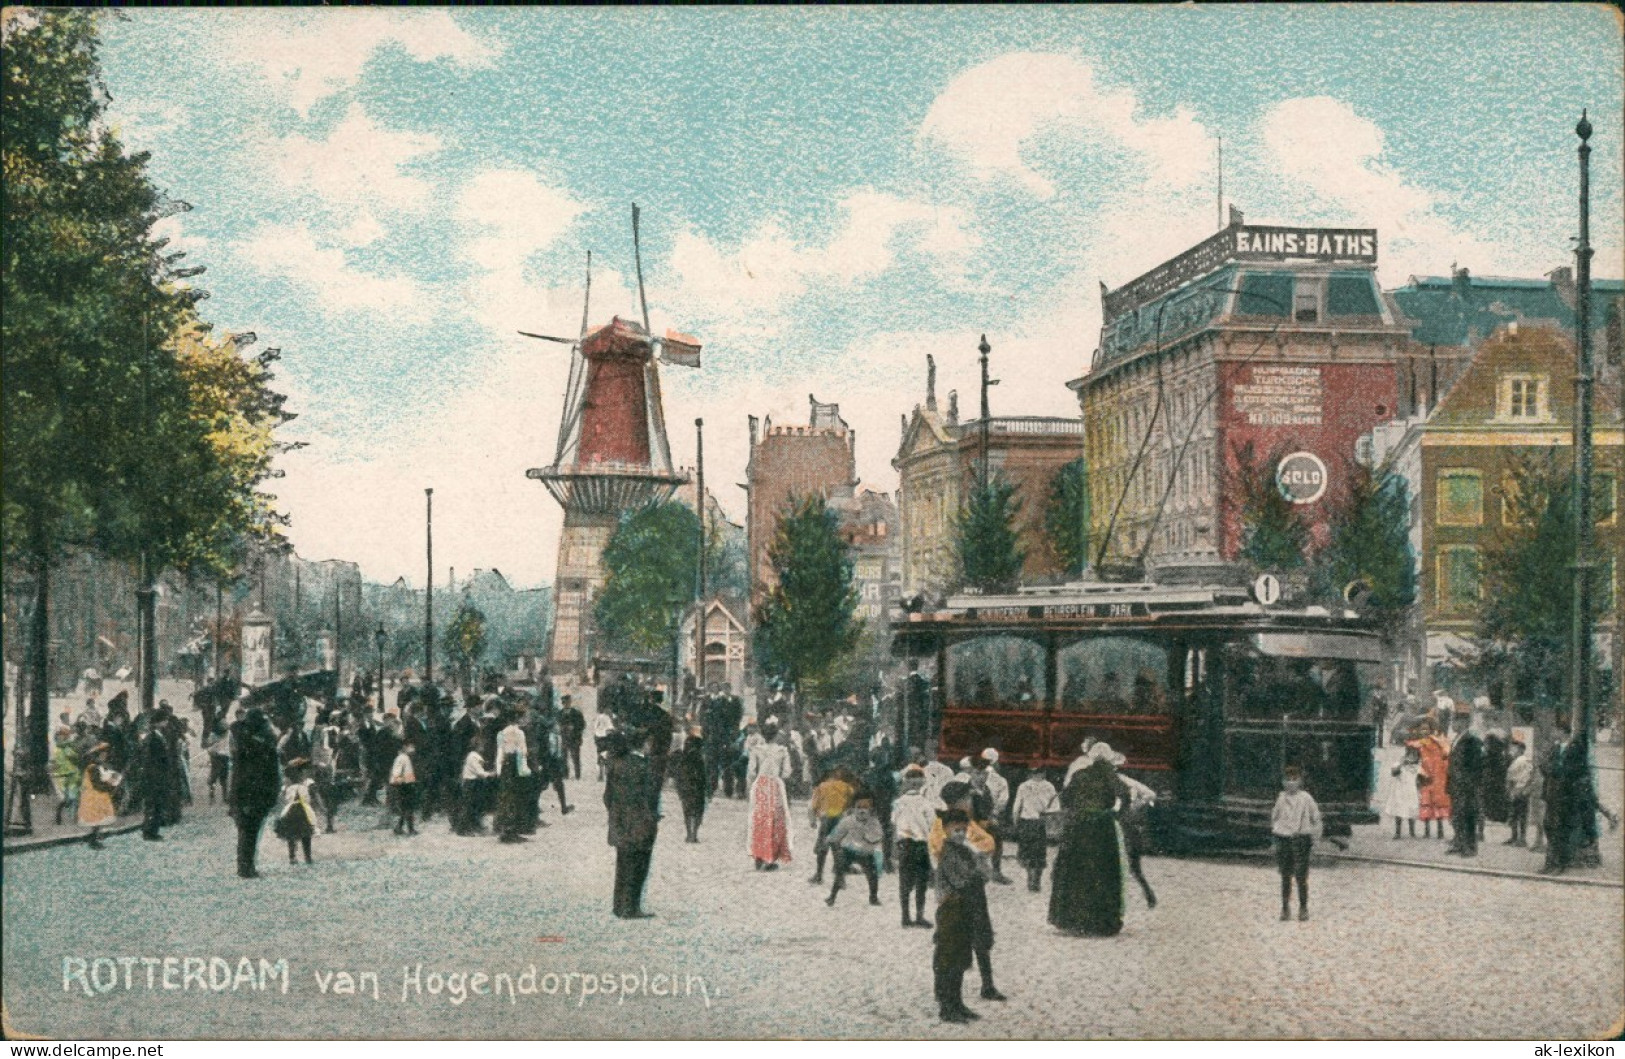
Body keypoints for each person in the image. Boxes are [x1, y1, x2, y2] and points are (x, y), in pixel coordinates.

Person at [1049, 741, 1128, 937]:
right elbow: (1125, 796)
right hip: (1101, 827)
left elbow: (1065, 797)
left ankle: (1072, 919)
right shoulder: (1111, 777)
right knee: (1102, 872)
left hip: (1077, 827)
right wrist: (1116, 814)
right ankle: (1100, 921)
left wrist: (1075, 813)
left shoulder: (1080, 774)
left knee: (1075, 870)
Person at [933, 809, 996, 1023]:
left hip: (965, 909)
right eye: (956, 830)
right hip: (951, 909)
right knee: (949, 958)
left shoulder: (965, 851)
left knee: (961, 957)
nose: (960, 834)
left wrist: (979, 865)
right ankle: (946, 1006)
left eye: (963, 830)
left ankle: (957, 1003)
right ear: (946, 831)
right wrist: (978, 868)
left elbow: (986, 876)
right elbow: (963, 881)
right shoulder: (947, 853)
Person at [603, 732, 659, 919]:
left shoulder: (617, 764)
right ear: (644, 744)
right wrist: (651, 817)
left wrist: (616, 813)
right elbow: (649, 797)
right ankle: (632, 907)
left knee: (623, 864)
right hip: (640, 823)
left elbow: (607, 796)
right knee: (639, 866)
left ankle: (619, 905)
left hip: (620, 822)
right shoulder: (644, 766)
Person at [229, 707, 280, 879]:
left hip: (245, 796)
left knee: (246, 833)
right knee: (250, 833)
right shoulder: (262, 746)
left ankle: (245, 865)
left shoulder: (243, 744)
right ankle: (246, 867)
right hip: (255, 797)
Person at [1271, 765, 1322, 921]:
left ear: (1300, 781)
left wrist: (1315, 838)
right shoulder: (1281, 799)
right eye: (1288, 780)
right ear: (1283, 782)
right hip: (1284, 839)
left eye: (1295, 780)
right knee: (1285, 876)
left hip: (1301, 840)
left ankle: (1303, 907)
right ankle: (1285, 908)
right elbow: (1275, 818)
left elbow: (1316, 818)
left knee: (1301, 876)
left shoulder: (1306, 798)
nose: (1291, 783)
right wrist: (1277, 835)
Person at [746, 720, 794, 870]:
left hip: (760, 785)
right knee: (775, 820)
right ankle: (770, 857)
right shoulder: (782, 751)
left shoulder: (756, 750)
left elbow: (752, 772)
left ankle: (759, 854)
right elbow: (787, 772)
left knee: (759, 819)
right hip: (775, 786)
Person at [824, 792, 885, 907]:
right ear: (853, 809)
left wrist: (868, 838)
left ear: (870, 810)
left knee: (872, 875)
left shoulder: (873, 822)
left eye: (865, 808)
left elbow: (878, 836)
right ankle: (832, 896)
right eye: (859, 808)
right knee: (839, 872)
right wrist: (830, 840)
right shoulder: (848, 820)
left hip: (866, 852)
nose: (862, 811)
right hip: (849, 850)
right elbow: (837, 833)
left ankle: (873, 897)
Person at [892, 766, 936, 928]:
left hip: (904, 844)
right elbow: (932, 825)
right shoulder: (926, 803)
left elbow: (894, 822)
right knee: (921, 882)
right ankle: (919, 916)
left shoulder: (898, 802)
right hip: (921, 845)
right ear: (922, 783)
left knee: (904, 882)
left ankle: (905, 916)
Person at [1011, 768, 1059, 892]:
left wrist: (1016, 823)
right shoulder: (1049, 786)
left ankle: (1030, 878)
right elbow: (1055, 807)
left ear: (1030, 773)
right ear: (1044, 772)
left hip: (1026, 822)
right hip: (1041, 822)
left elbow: (1016, 807)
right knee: (1039, 853)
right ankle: (1036, 881)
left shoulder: (1023, 786)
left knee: (1027, 852)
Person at [808, 767, 856, 885]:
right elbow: (853, 802)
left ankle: (819, 875)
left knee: (822, 847)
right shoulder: (846, 787)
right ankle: (840, 879)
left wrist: (813, 820)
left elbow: (812, 806)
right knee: (838, 849)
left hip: (826, 818)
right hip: (840, 818)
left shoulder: (821, 787)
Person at [273, 759, 325, 865]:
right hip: (300, 811)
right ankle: (299, 857)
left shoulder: (305, 784)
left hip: (296, 811)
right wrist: (321, 807)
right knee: (299, 834)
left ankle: (300, 856)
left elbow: (280, 799)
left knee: (299, 834)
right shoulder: (301, 784)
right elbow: (316, 796)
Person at [1446, 718, 1485, 856]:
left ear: (1463, 723)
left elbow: (1476, 765)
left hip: (1466, 786)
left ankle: (1469, 847)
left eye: (1455, 721)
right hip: (1456, 785)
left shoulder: (1471, 740)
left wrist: (1468, 782)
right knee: (1457, 815)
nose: (1453, 724)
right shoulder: (1457, 738)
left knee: (1468, 816)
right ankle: (1459, 843)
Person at [495, 711, 534, 843]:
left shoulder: (501, 733)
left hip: (505, 765)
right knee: (516, 797)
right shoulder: (519, 733)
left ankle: (503, 828)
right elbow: (523, 752)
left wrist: (499, 771)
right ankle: (512, 830)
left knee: (506, 797)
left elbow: (500, 754)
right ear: (517, 719)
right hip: (516, 766)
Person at [1409, 720, 1451, 840]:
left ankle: (1440, 830)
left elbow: (1446, 752)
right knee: (1426, 802)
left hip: (1437, 776)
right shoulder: (1419, 744)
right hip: (1425, 776)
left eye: (1426, 729)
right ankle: (1427, 831)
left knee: (1437, 803)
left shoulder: (1436, 742)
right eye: (1422, 729)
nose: (1424, 731)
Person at [77, 744, 121, 850]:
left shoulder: (96, 766)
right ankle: (93, 841)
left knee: (97, 820)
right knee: (96, 820)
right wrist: (110, 785)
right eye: (103, 755)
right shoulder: (93, 767)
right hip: (94, 796)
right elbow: (97, 784)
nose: (105, 757)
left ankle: (94, 838)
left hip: (96, 795)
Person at [675, 726, 709, 843]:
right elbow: (704, 776)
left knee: (687, 812)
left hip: (685, 788)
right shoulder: (699, 758)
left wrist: (679, 789)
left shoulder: (682, 758)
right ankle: (694, 834)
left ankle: (689, 834)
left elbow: (678, 776)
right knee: (698, 811)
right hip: (697, 788)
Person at [1384, 743, 1422, 839]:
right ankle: (1398, 832)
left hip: (1411, 791)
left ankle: (1412, 832)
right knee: (1399, 810)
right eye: (1410, 754)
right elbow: (1394, 773)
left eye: (1415, 755)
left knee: (1411, 810)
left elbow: (1420, 780)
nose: (1412, 757)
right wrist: (1401, 764)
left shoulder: (1418, 767)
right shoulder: (1399, 764)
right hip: (1400, 791)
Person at [456, 746, 496, 835]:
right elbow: (479, 772)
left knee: (474, 805)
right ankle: (462, 829)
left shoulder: (473, 756)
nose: (483, 748)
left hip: (473, 782)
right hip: (471, 783)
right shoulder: (474, 757)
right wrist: (491, 774)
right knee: (469, 805)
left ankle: (473, 826)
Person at [1504, 739, 1533, 846]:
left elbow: (1525, 777)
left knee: (1520, 815)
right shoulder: (1515, 760)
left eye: (1514, 748)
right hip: (1517, 789)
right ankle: (1515, 837)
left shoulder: (1522, 760)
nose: (1512, 750)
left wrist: (1523, 789)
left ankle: (1521, 838)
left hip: (1520, 789)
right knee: (1515, 815)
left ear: (1521, 750)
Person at [51, 731, 81, 827]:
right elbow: (52, 763)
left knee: (73, 797)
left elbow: (76, 758)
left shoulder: (69, 748)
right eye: (59, 736)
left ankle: (76, 817)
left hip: (71, 775)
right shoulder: (55, 750)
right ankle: (58, 815)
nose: (61, 738)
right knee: (63, 799)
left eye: (63, 736)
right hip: (60, 776)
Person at [389, 742, 419, 836]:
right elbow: (396, 773)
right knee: (408, 808)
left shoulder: (405, 757)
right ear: (405, 747)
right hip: (403, 786)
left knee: (405, 809)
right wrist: (403, 783)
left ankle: (399, 828)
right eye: (411, 747)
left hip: (405, 784)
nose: (413, 749)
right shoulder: (403, 758)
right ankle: (410, 829)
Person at [558, 696, 586, 781]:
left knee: (575, 757)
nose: (566, 704)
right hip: (564, 738)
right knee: (563, 758)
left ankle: (577, 775)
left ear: (570, 702)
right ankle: (565, 775)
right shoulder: (559, 713)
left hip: (574, 739)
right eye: (564, 703)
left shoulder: (577, 713)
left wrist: (574, 727)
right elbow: (557, 724)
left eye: (567, 702)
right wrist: (561, 728)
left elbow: (583, 725)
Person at [592, 709, 615, 782]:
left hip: (598, 737)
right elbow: (610, 729)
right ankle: (605, 773)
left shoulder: (598, 717)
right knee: (607, 755)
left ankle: (601, 773)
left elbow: (595, 728)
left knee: (600, 755)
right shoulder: (608, 718)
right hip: (606, 738)